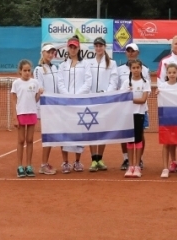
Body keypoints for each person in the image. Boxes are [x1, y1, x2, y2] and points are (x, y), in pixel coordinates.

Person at [79, 37, 115, 172]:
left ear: (105, 47)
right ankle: (94, 159)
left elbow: (114, 81)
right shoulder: (88, 63)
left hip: (105, 101)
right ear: (94, 48)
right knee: (92, 131)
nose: (99, 48)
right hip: (91, 101)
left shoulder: (112, 63)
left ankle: (100, 158)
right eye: (96, 46)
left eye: (101, 45)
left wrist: (105, 93)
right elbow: (86, 80)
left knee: (103, 131)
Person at [112, 42, 150, 170]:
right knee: (125, 135)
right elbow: (118, 89)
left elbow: (145, 92)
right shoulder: (119, 69)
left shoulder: (145, 70)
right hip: (125, 111)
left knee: (141, 134)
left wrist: (130, 99)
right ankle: (127, 159)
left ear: (137, 52)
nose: (130, 53)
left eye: (133, 51)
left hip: (141, 111)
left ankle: (139, 160)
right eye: (128, 51)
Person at [33, 44, 63, 175]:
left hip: (55, 106)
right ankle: (43, 165)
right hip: (45, 107)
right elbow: (40, 89)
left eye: (52, 53)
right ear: (42, 53)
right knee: (48, 136)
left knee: (53, 136)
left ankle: (47, 163)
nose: (50, 55)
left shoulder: (55, 68)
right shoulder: (38, 69)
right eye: (48, 52)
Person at [59, 36, 86, 173]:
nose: (73, 49)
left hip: (80, 103)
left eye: (75, 47)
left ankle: (77, 161)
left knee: (79, 133)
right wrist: (68, 96)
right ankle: (65, 162)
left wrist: (77, 96)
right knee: (65, 133)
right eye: (70, 47)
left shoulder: (85, 64)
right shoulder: (62, 65)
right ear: (67, 48)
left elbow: (88, 82)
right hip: (66, 103)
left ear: (78, 48)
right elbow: (60, 83)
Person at [11, 59, 42, 178]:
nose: (27, 72)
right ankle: (19, 166)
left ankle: (29, 166)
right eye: (25, 70)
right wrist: (15, 117)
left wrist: (39, 93)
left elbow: (35, 99)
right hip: (21, 114)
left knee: (30, 140)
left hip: (32, 113)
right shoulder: (16, 83)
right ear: (20, 71)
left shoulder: (35, 82)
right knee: (21, 140)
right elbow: (14, 101)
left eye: (29, 70)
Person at [124, 59, 150, 178]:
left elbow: (143, 100)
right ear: (130, 69)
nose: (135, 70)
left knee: (138, 140)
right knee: (130, 140)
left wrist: (129, 99)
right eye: (133, 68)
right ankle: (130, 166)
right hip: (128, 115)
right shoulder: (126, 83)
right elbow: (121, 98)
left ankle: (138, 166)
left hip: (140, 114)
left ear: (141, 69)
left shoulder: (145, 83)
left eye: (137, 68)